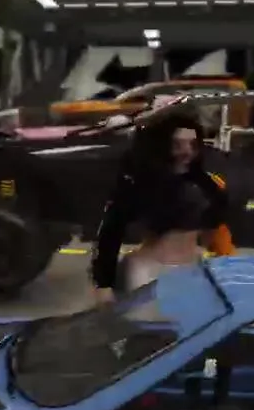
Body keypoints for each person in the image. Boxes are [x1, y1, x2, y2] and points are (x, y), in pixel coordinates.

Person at [89, 111, 237, 302]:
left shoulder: (207, 185)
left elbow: (218, 230)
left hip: (192, 268)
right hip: (149, 271)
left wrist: (226, 266)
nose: (187, 152)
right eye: (177, 145)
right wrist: (103, 283)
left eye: (193, 145)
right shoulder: (139, 185)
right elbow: (111, 232)